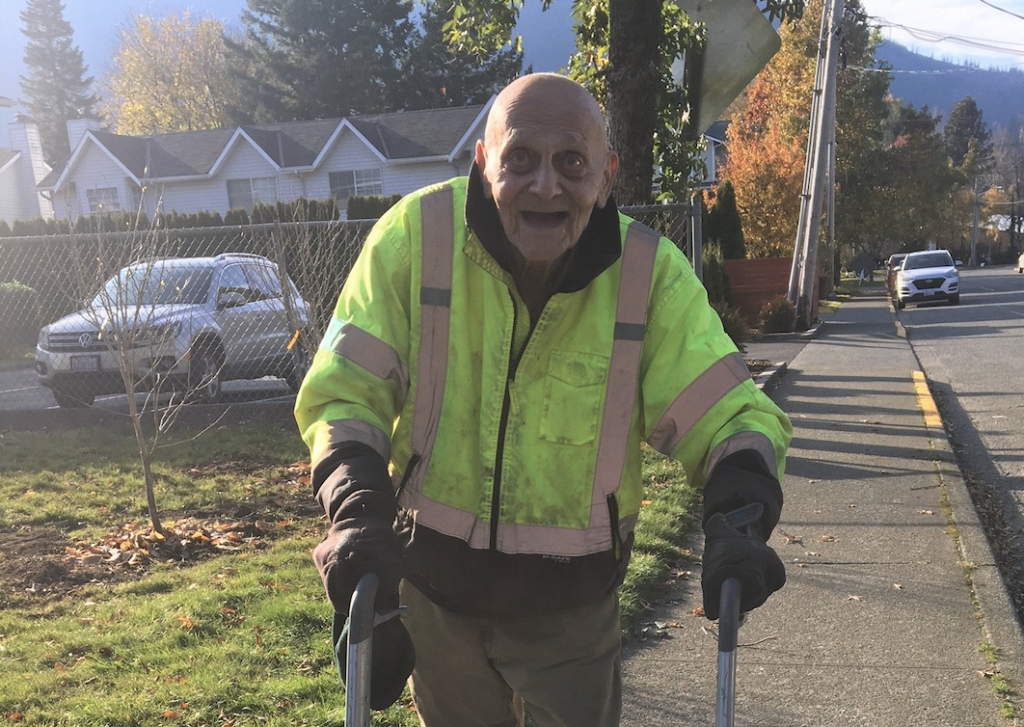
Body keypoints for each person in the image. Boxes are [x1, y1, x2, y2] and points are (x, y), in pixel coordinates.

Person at [295, 72, 791, 727]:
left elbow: (730, 415)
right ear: (483, 162)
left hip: (571, 614)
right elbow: (345, 393)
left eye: (572, 162)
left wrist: (740, 513)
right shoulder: (414, 239)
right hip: (435, 597)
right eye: (521, 158)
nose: (546, 185)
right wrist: (356, 511)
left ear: (607, 177)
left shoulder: (648, 276)